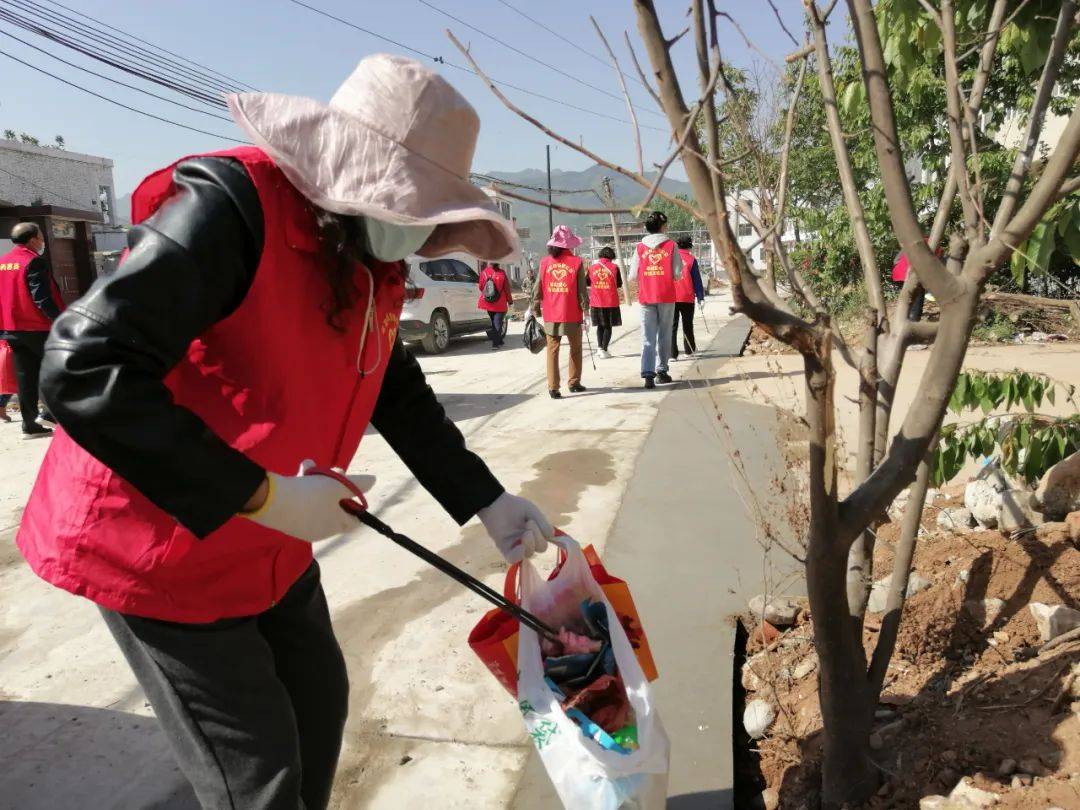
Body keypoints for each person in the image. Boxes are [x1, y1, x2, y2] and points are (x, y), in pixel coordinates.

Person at [16, 55, 555, 810]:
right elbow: (82, 366)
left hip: (273, 538)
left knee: (318, 711)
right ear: (349, 176)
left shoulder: (366, 253)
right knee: (259, 777)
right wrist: (261, 495)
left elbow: (390, 384)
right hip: (158, 541)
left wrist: (485, 500)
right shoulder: (231, 210)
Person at [0, 222, 63, 438]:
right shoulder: (32, 261)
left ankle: (30, 425)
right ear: (33, 239)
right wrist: (61, 320)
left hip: (13, 329)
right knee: (58, 369)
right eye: (41, 236)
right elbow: (42, 298)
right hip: (37, 327)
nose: (43, 241)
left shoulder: (3, 262)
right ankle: (50, 415)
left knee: (25, 378)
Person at [532, 225, 589, 399]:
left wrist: (535, 308)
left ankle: (553, 387)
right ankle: (573, 382)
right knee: (576, 349)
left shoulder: (544, 262)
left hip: (551, 313)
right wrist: (586, 311)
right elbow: (581, 291)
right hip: (572, 313)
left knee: (552, 350)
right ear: (568, 244)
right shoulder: (577, 262)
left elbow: (537, 287)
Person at [628, 211, 682, 389]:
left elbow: (633, 275)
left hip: (645, 296)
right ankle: (662, 371)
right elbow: (676, 273)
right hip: (666, 295)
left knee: (647, 336)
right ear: (663, 226)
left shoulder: (639, 247)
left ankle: (648, 375)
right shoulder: (671, 245)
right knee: (665, 334)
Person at [671, 235, 705, 361]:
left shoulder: (670, 259)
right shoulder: (691, 260)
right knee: (687, 325)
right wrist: (700, 297)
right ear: (689, 246)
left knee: (672, 326)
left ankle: (672, 354)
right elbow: (697, 280)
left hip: (671, 297)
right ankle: (689, 351)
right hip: (687, 297)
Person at [587, 246, 622, 359]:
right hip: (610, 301)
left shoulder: (592, 268)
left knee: (600, 326)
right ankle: (604, 349)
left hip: (596, 302)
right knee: (608, 326)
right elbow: (619, 284)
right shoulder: (614, 267)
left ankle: (599, 348)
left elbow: (587, 282)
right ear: (611, 256)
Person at [477, 260, 512, 349]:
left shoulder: (483, 273)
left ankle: (499, 340)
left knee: (494, 322)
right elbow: (507, 289)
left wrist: (489, 294)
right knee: (497, 323)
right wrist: (510, 301)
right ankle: (495, 344)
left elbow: (481, 287)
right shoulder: (501, 273)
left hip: (488, 302)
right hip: (500, 303)